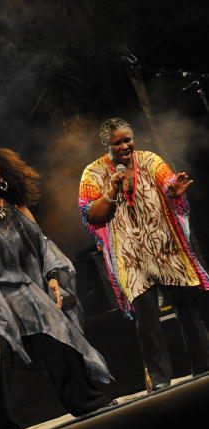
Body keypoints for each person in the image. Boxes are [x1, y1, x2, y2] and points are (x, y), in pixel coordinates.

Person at [0, 147, 114, 429]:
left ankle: (86, 402)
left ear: (1, 174)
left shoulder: (16, 208)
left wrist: (54, 277)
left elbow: (43, 247)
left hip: (23, 291)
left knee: (58, 334)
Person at [79, 117, 209, 391]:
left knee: (186, 306)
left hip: (165, 246)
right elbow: (91, 215)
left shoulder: (150, 161)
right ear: (107, 144)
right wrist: (111, 191)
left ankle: (204, 364)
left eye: (128, 139)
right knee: (147, 317)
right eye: (118, 143)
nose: (125, 145)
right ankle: (160, 379)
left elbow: (168, 183)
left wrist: (173, 191)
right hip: (131, 256)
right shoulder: (93, 174)